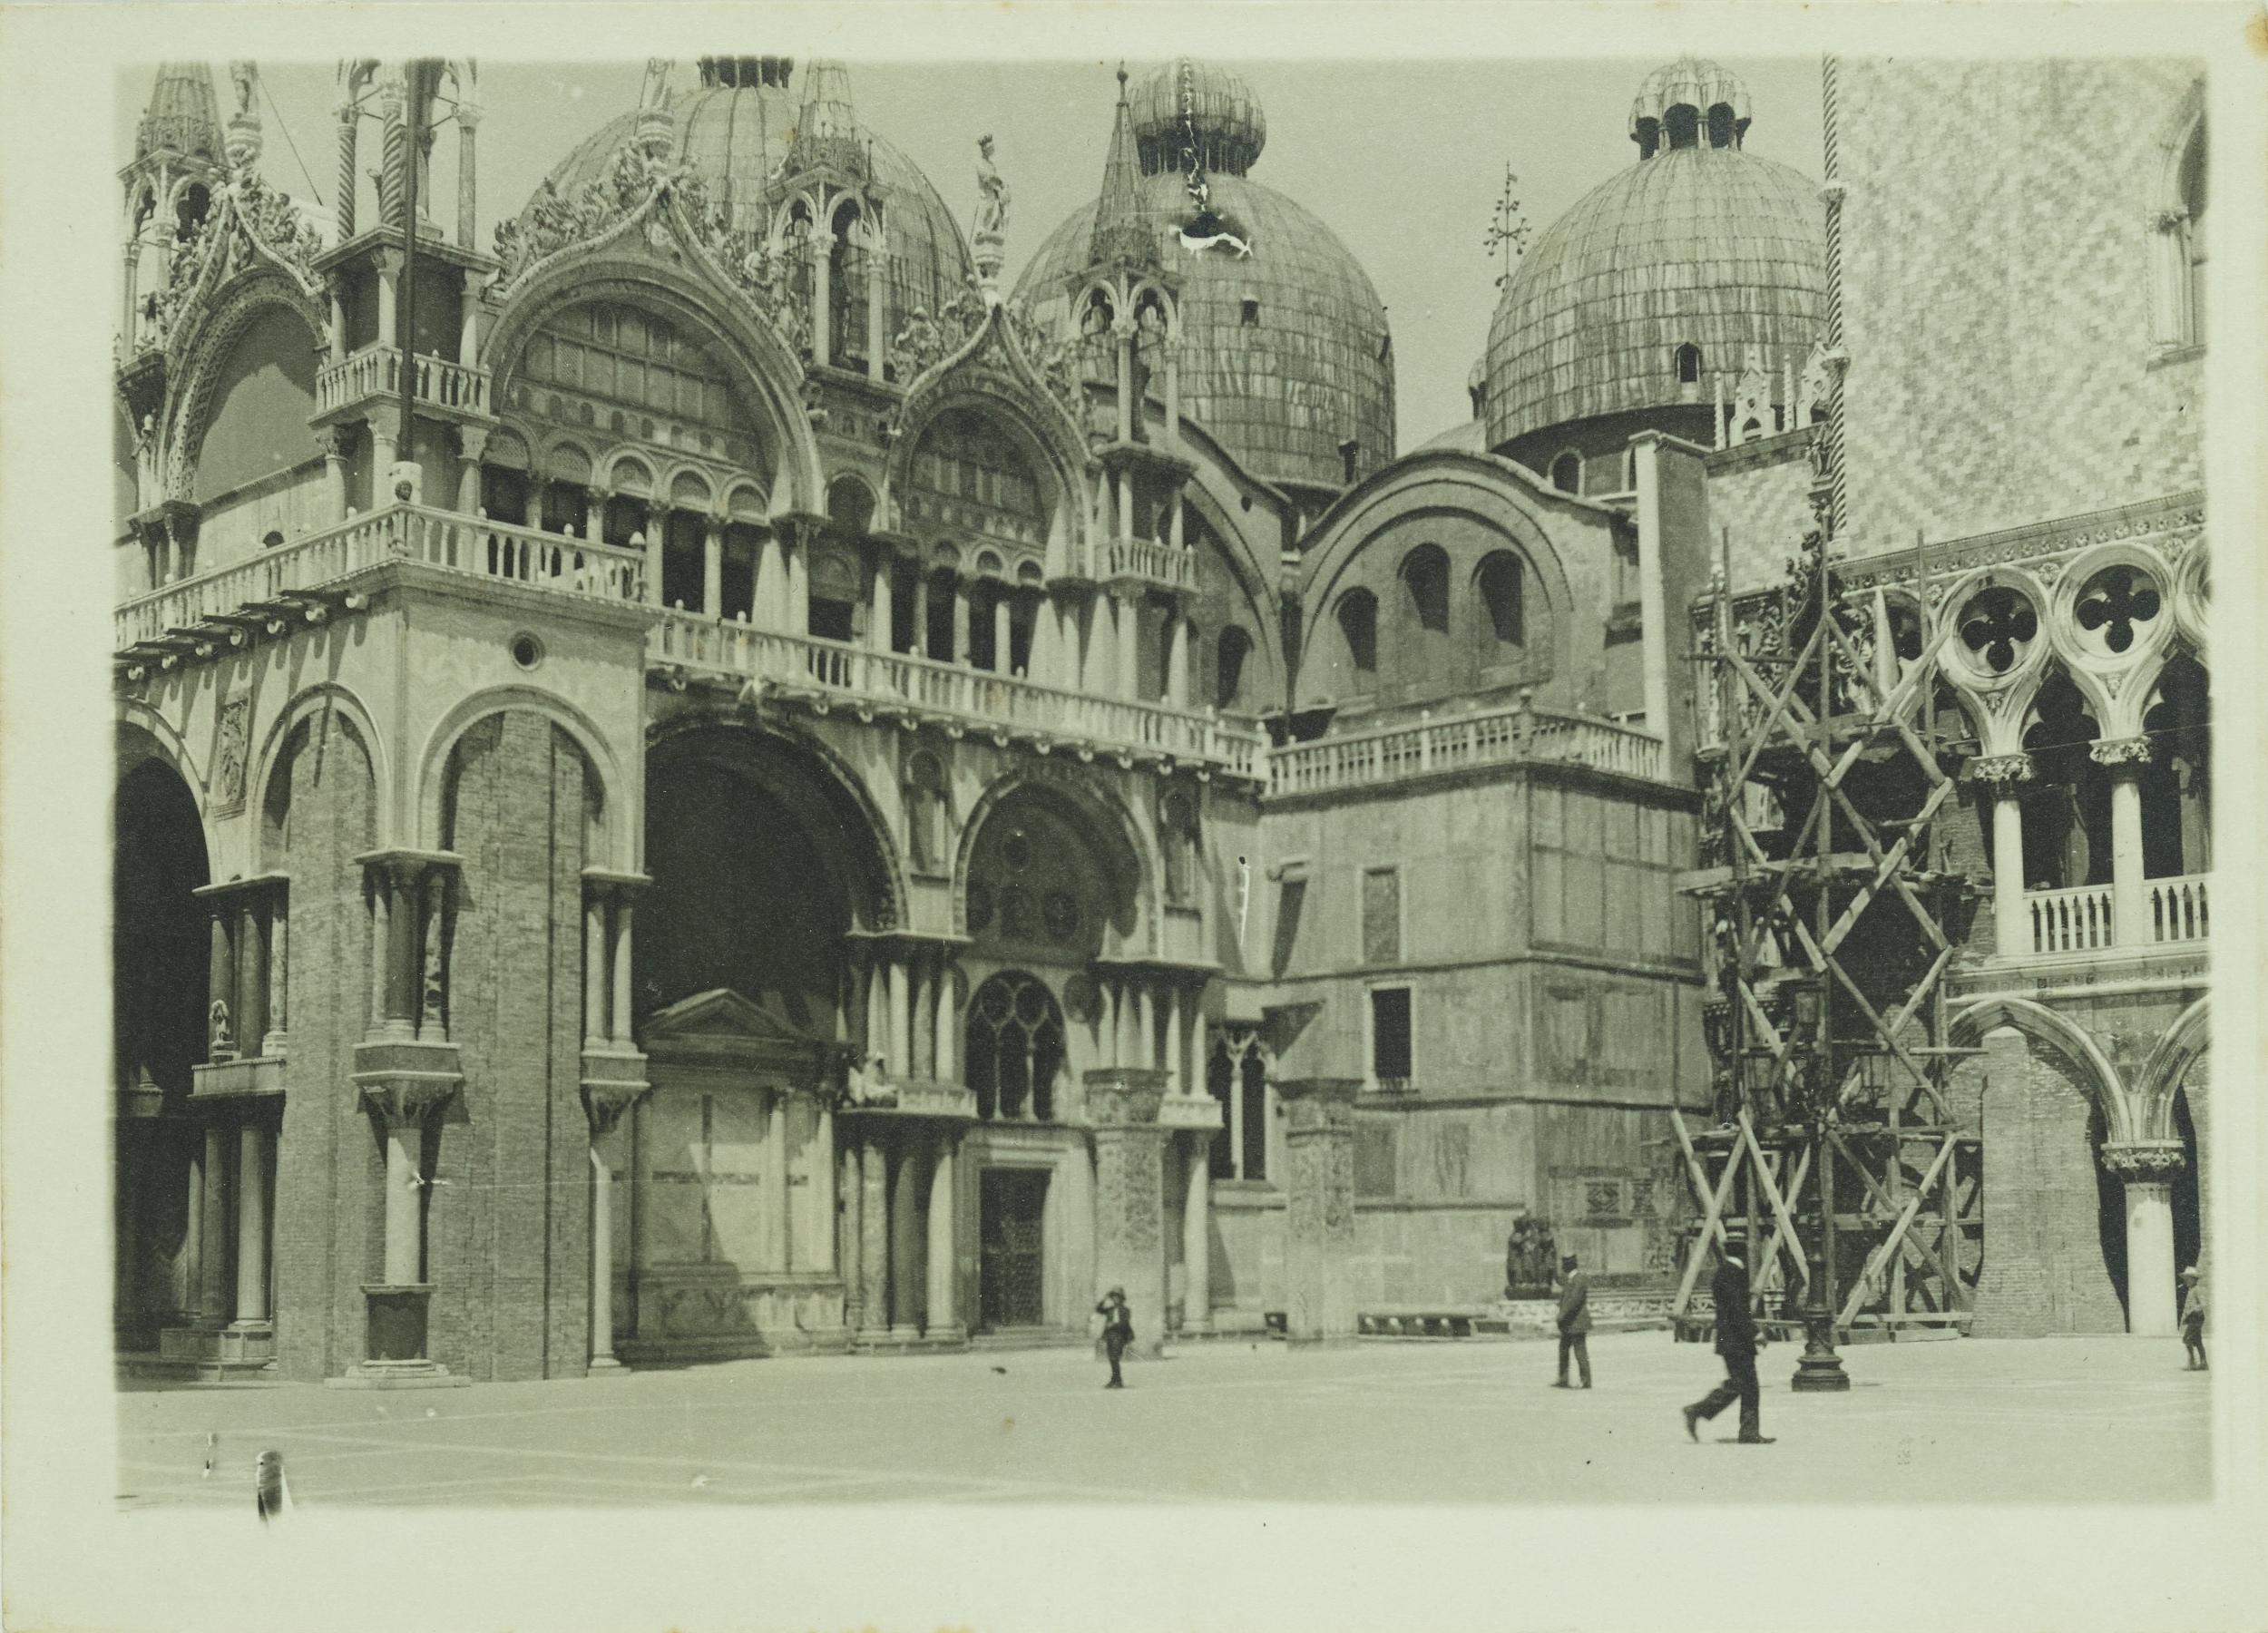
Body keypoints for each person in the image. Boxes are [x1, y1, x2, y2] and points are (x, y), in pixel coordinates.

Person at [1684, 1242, 1772, 1443]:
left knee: (1742, 1384)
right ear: (1743, 1251)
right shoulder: (1732, 1273)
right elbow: (1736, 1309)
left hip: (1730, 1339)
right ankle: (1697, 1410)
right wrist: (1754, 1333)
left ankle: (1747, 1431)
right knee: (1744, 1385)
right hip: (1736, 1340)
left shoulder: (1725, 1272)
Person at [1552, 1253, 1592, 1388]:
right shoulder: (1569, 1279)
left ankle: (1585, 1380)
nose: (1562, 1266)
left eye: (1564, 1263)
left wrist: (1561, 1315)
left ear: (1569, 1265)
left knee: (1580, 1351)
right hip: (1569, 1323)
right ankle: (1563, 1379)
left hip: (1577, 1322)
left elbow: (1573, 1301)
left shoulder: (1579, 1279)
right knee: (1563, 1350)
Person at [1096, 1286, 1133, 1389]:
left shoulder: (1126, 1310)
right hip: (1110, 1337)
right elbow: (1098, 1309)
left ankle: (1118, 1380)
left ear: (1122, 1299)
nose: (1115, 1299)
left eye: (1117, 1297)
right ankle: (1114, 1380)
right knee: (1112, 1359)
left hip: (1120, 1337)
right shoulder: (1110, 1310)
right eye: (1113, 1297)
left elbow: (1124, 1324)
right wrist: (1105, 1298)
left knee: (1115, 1358)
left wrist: (1113, 1325)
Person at [2179, 1266, 2207, 1371]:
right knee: (2198, 1340)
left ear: (2193, 1279)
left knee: (2187, 1339)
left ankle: (2192, 1362)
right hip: (2193, 1318)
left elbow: (2203, 1303)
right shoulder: (2191, 1290)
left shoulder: (2197, 1290)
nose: (2186, 1281)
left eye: (2188, 1278)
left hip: (2197, 1318)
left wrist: (2193, 1310)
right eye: (2186, 1279)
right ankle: (2204, 1362)